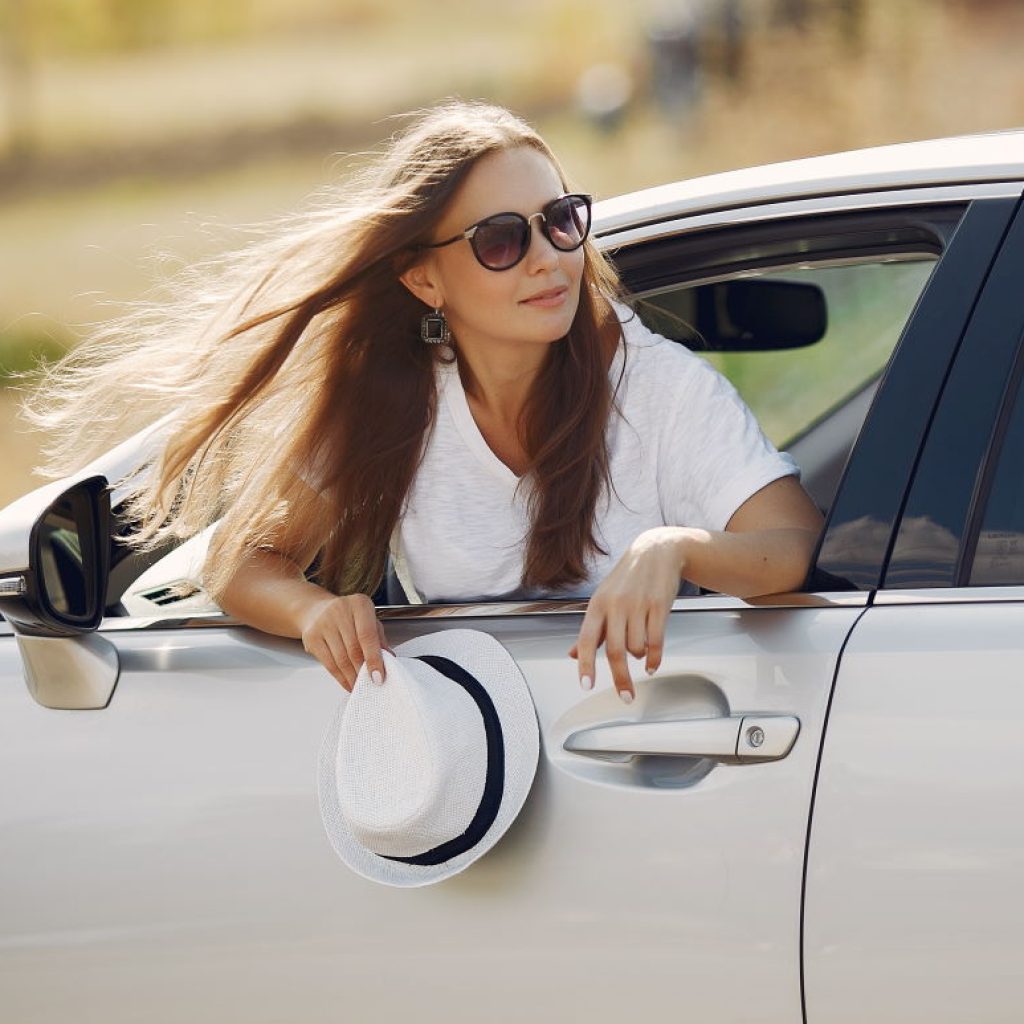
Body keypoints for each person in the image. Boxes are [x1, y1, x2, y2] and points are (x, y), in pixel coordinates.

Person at [27, 100, 821, 703]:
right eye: (503, 240)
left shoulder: (658, 389)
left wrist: (673, 548)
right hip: (469, 753)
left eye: (560, 221)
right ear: (423, 277)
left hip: (649, 732)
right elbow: (241, 562)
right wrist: (311, 611)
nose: (546, 260)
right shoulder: (398, 402)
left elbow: (790, 545)